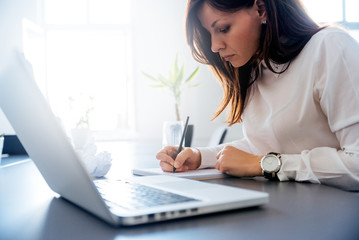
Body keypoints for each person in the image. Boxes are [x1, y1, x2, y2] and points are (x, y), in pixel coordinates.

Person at [156, 0, 359, 191]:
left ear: (261, 8)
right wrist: (200, 157)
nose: (214, 46)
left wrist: (266, 165)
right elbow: (261, 145)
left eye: (223, 28)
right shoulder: (256, 70)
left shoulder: (330, 47)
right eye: (209, 32)